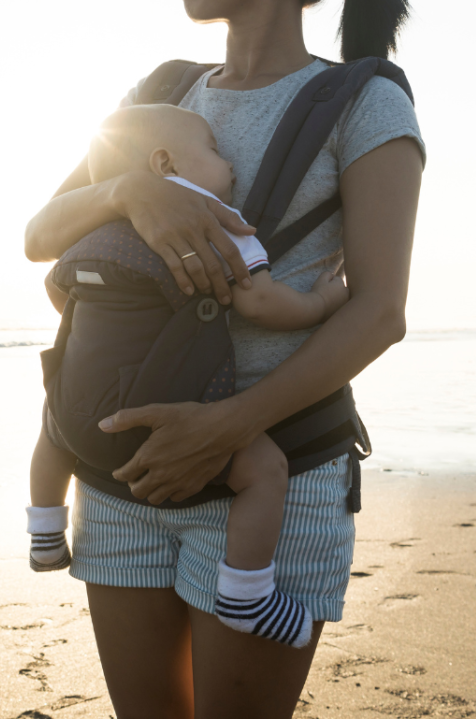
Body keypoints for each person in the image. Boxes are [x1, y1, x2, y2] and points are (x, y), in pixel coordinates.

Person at [22, 0, 424, 715]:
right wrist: (129, 190)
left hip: (273, 476)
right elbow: (41, 235)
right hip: (125, 475)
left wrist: (228, 427)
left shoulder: (366, 100)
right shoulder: (160, 91)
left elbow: (379, 311)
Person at [26, 104, 350, 650]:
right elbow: (260, 302)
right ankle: (247, 592)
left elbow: (59, 291)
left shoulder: (90, 229)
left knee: (52, 428)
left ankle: (44, 534)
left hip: (85, 423)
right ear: (165, 162)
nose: (230, 166)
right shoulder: (217, 219)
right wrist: (321, 301)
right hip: (161, 421)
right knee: (264, 470)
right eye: (216, 152)